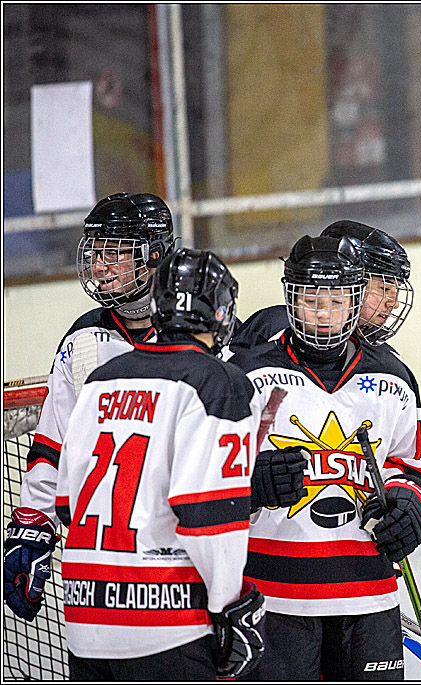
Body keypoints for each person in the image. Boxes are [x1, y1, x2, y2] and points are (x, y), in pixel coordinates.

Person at [52, 248, 265, 679]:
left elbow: (66, 506)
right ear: (221, 314)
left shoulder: (101, 380)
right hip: (167, 626)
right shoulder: (217, 384)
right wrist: (230, 604)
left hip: (83, 619)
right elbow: (209, 516)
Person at [229, 234, 421, 680]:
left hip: (369, 593)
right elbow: (208, 485)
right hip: (275, 596)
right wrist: (250, 485)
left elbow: (408, 470)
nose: (322, 314)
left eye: (337, 301)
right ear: (291, 299)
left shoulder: (393, 378)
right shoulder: (248, 376)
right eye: (310, 300)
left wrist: (410, 506)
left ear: (355, 301)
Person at [4, 192, 173, 622]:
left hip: (179, 557)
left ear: (154, 256)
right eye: (95, 254)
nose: (99, 267)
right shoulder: (83, 341)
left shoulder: (197, 333)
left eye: (114, 254)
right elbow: (51, 443)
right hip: (100, 567)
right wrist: (31, 527)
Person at [229, 220, 413, 353]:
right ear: (351, 283)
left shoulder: (384, 358)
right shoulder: (273, 328)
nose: (394, 303)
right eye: (384, 289)